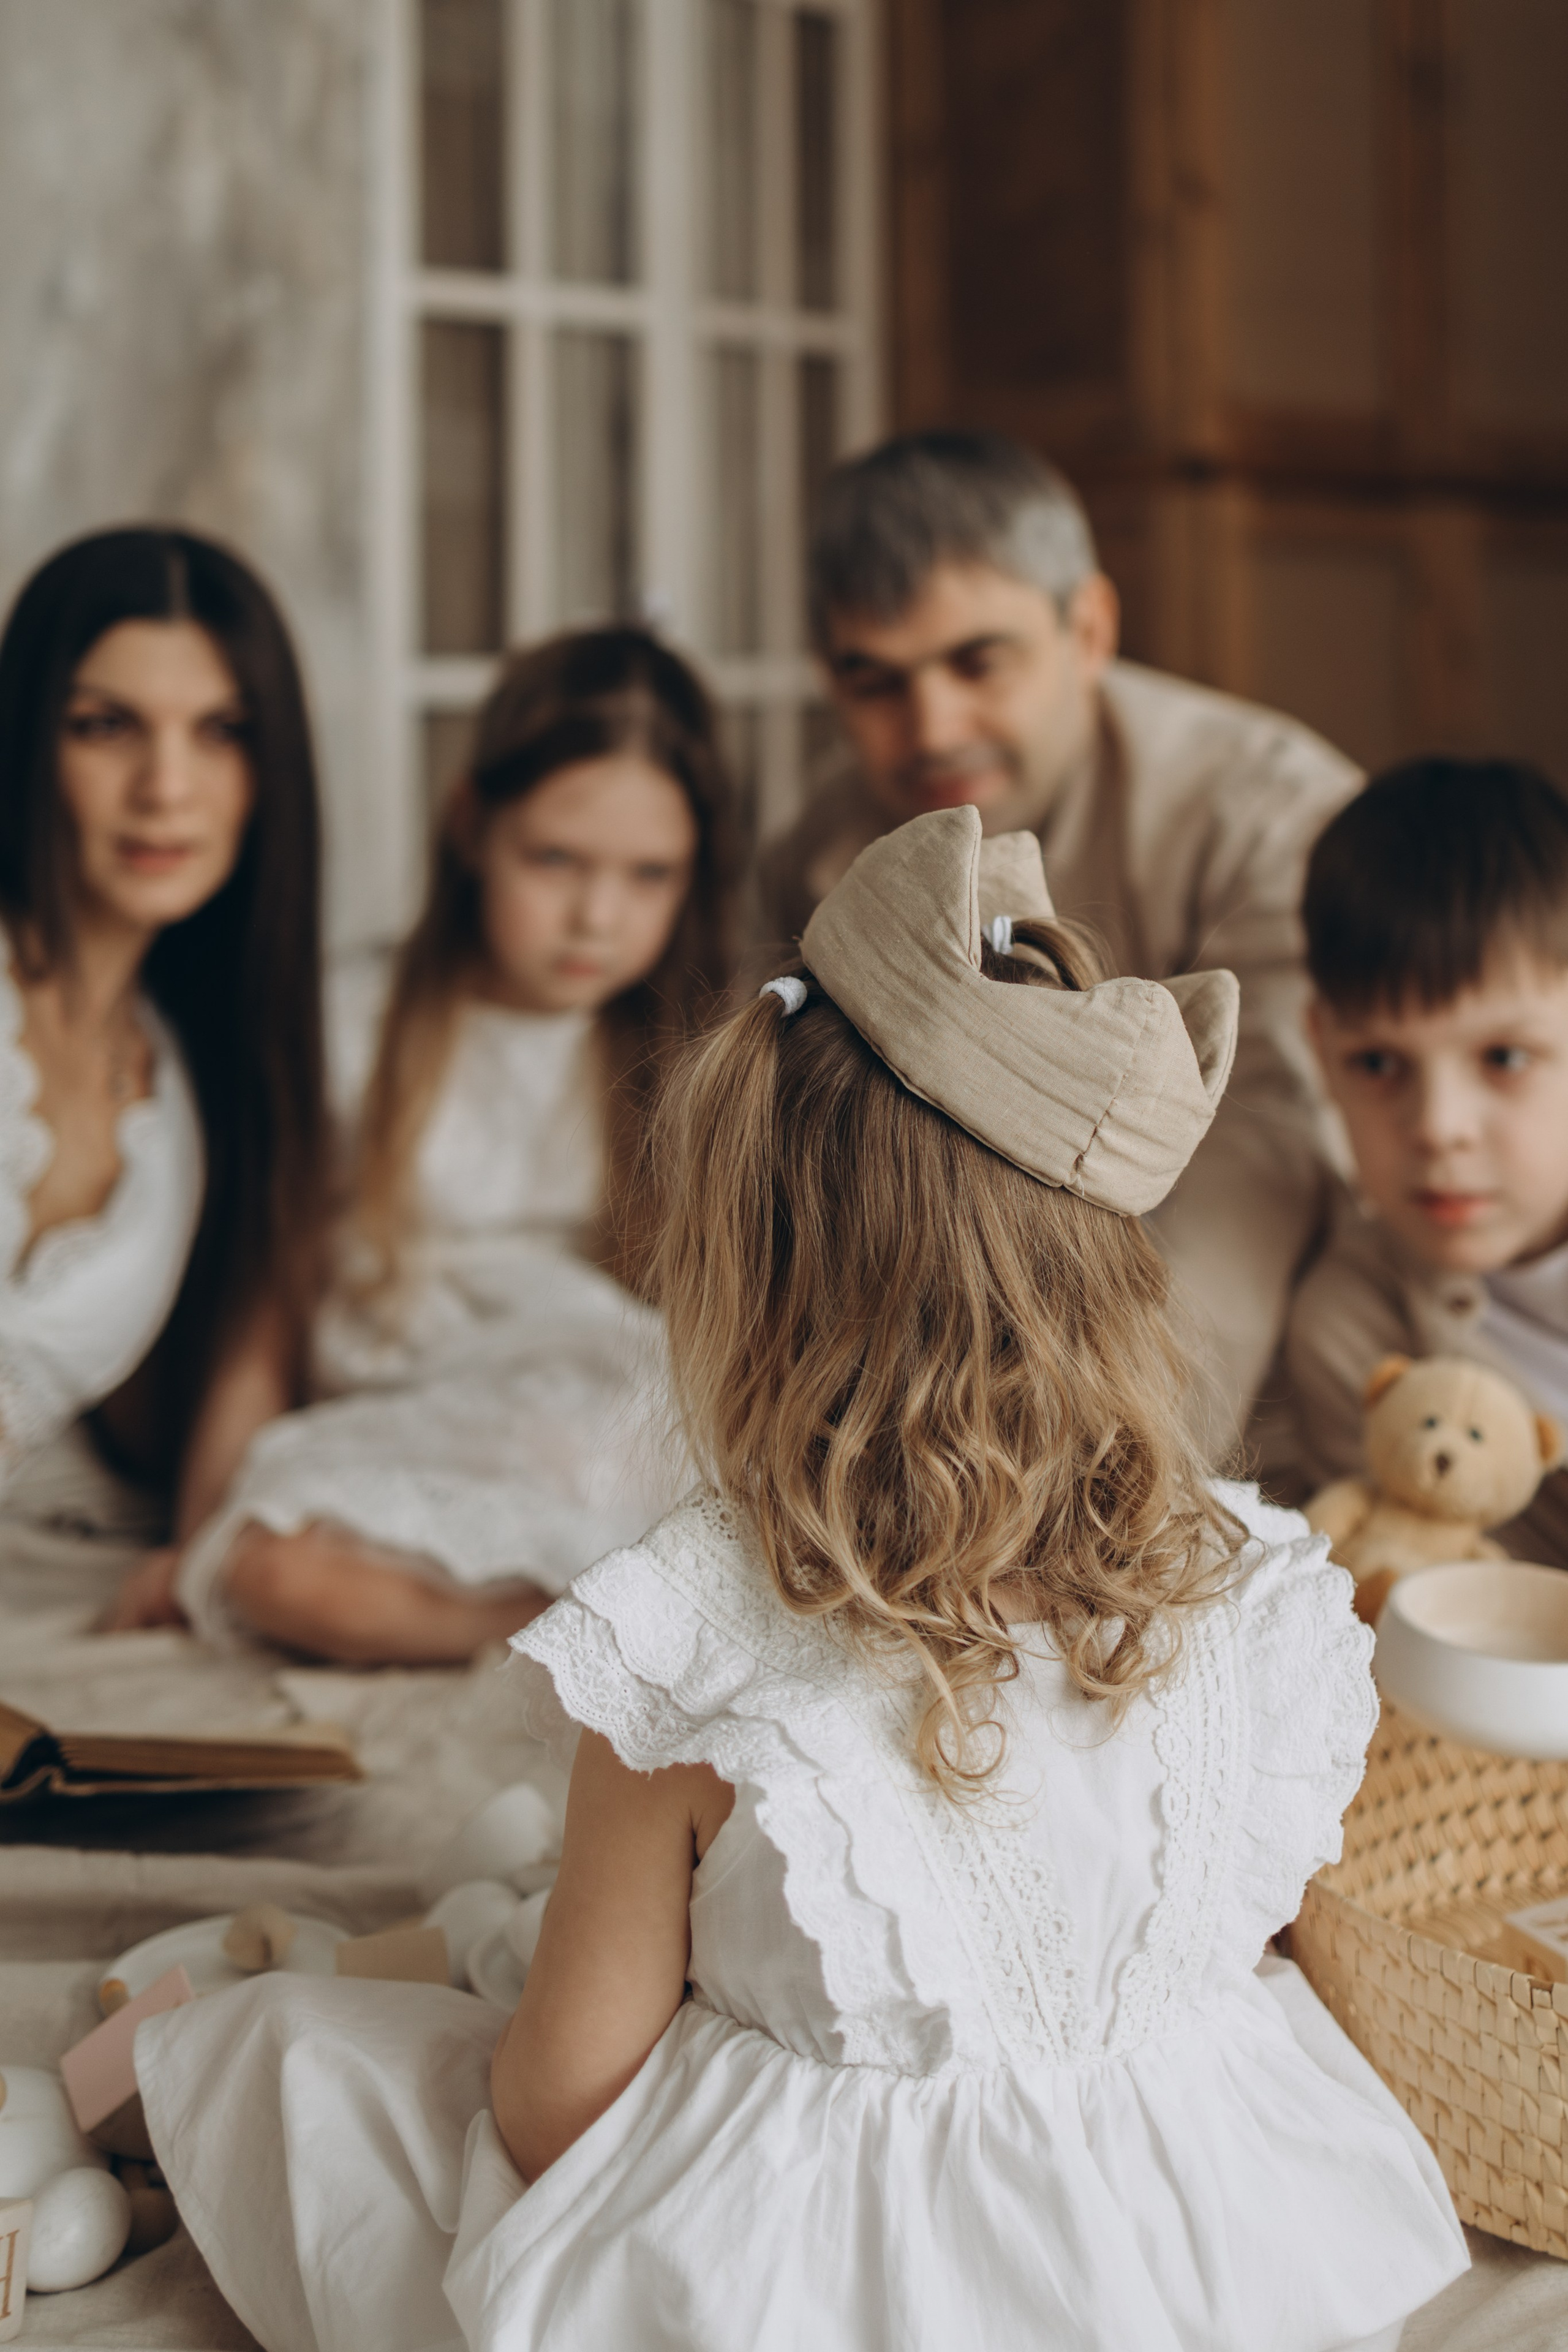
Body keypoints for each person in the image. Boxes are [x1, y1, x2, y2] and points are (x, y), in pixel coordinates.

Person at [136, 810, 1464, 2352]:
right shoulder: (1250, 1597)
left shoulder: (701, 1647)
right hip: (1218, 2260)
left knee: (304, 2061)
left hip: (815, 2287)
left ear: (751, 1297)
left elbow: (562, 2102)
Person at [130, 625, 738, 1663]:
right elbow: (263, 1314)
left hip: (596, 1400)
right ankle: (573, 1634)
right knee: (263, 1568)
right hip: (401, 1416)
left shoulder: (684, 1062)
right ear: (470, 826)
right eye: (555, 859)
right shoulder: (348, 1028)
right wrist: (194, 1543)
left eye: (649, 876)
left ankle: (625, 1621)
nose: (596, 915)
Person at [760, 429, 1360, 1440]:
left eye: (977, 662)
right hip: (909, 1391)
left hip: (1243, 1392)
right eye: (876, 682)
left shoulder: (1271, 815)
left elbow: (1269, 1149)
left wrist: (1108, 1450)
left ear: (1087, 628)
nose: (934, 727)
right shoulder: (811, 854)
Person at [0, 526, 326, 1563]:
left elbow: (239, 1348)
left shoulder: (203, 1093)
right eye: (106, 726)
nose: (167, 788)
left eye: (222, 731)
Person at [1278, 757, 1568, 1563]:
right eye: (1377, 1064)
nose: (1439, 1129)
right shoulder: (1355, 1331)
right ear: (1322, 1052)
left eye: (1504, 1058)